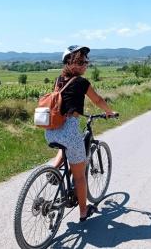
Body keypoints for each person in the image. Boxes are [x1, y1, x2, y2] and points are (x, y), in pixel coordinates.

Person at [45, 45, 116, 222]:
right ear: (70, 63)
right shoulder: (82, 82)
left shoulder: (58, 80)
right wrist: (109, 111)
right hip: (69, 131)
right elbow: (98, 100)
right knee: (80, 175)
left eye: (86, 61)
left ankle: (53, 171)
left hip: (51, 130)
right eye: (82, 61)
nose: (86, 65)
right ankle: (84, 212)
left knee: (65, 147)